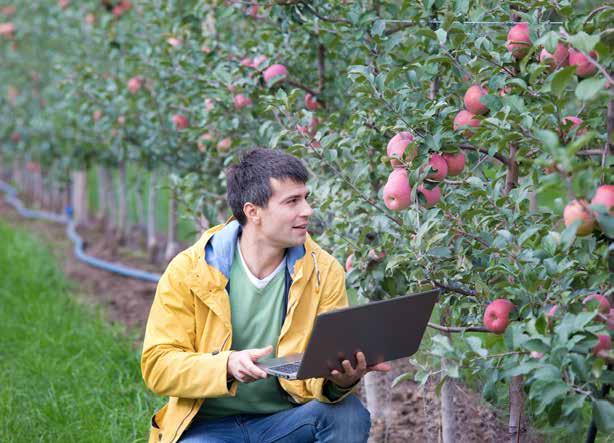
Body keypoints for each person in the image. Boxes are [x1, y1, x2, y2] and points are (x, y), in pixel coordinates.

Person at [141, 149, 391, 443]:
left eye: (306, 198)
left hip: (286, 420)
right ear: (253, 212)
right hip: (208, 428)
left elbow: (320, 365)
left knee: (348, 414)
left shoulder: (324, 271)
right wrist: (227, 365)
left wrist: (340, 381)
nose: (307, 210)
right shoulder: (190, 270)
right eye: (292, 201)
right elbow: (158, 366)